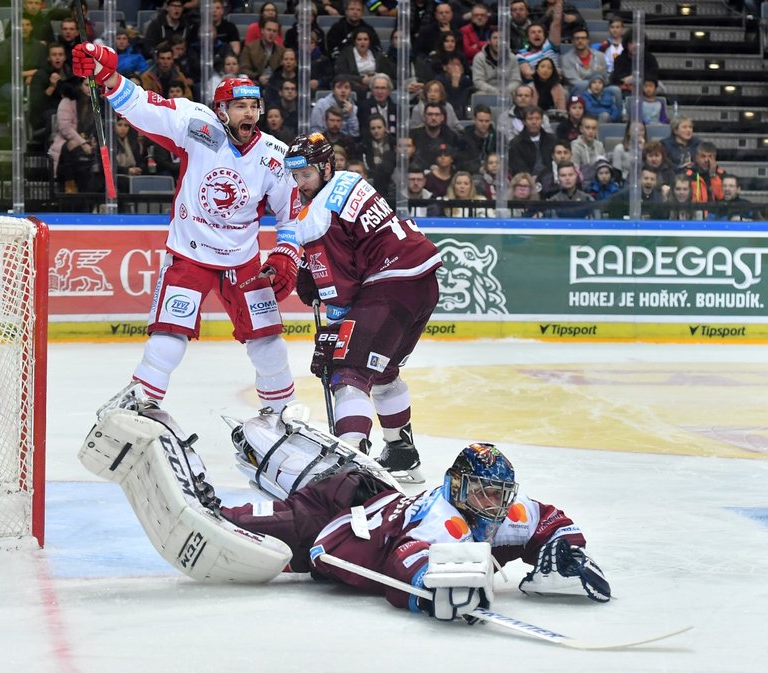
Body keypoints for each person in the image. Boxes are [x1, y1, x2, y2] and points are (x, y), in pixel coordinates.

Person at [82, 403, 612, 620]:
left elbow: (548, 521)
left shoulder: (502, 510)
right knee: (226, 520)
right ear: (457, 486)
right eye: (482, 494)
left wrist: (567, 550)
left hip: (366, 492)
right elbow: (404, 561)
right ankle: (165, 434)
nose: (492, 507)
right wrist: (436, 588)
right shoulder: (444, 520)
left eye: (499, 495)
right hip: (326, 523)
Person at [72, 43, 301, 411]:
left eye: (253, 106)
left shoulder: (275, 156)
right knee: (167, 338)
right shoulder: (197, 125)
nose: (249, 113)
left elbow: (291, 217)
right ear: (221, 111)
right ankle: (140, 407)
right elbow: (144, 106)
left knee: (269, 344)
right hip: (189, 255)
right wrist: (107, 76)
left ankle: (283, 418)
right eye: (239, 106)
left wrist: (286, 255)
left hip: (242, 261)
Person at [284, 132, 440, 475]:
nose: (300, 183)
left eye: (306, 174)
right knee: (382, 372)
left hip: (391, 286)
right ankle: (401, 453)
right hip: (423, 282)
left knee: (348, 372)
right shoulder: (351, 180)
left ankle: (349, 465)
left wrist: (336, 331)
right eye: (294, 175)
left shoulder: (316, 216)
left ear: (325, 167)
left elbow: (341, 289)